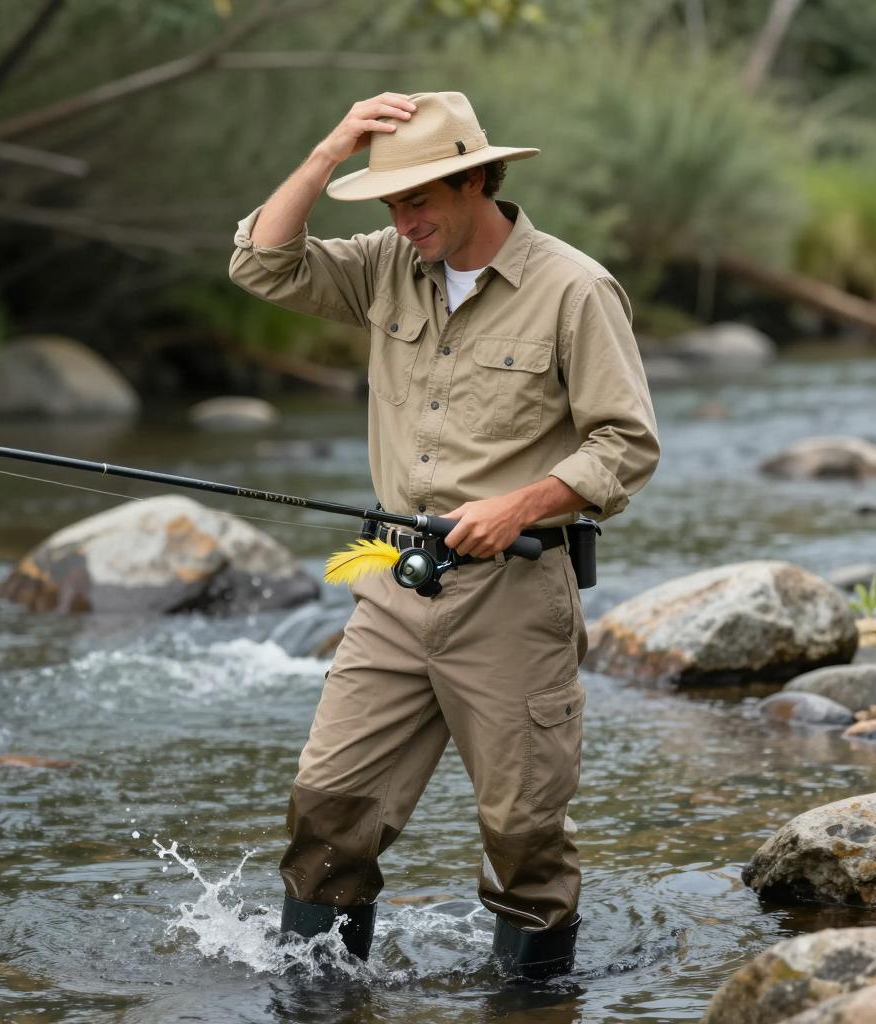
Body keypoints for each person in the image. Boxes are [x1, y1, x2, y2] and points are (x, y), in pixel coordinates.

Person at [229, 91, 659, 978]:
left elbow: (626, 444)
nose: (402, 221)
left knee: (524, 835)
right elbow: (262, 264)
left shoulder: (575, 289)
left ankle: (535, 1002)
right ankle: (316, 996)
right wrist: (330, 150)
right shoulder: (387, 263)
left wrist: (520, 505)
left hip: (514, 599)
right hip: (392, 585)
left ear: (476, 181)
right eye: (390, 202)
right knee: (327, 811)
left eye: (418, 199)